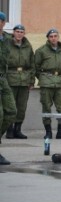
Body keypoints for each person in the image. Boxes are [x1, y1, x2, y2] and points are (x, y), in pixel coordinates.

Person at [34, 28, 61, 139]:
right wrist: (43, 77)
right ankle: (48, 132)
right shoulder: (41, 50)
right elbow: (36, 66)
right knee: (46, 107)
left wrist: (58, 74)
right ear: (48, 38)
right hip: (46, 81)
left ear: (58, 37)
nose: (53, 38)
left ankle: (60, 132)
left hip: (59, 82)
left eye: (55, 36)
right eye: (51, 36)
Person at [5, 24, 35, 140]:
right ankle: (9, 129)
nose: (19, 34)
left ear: (24, 34)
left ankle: (18, 129)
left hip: (24, 79)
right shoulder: (7, 45)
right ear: (13, 33)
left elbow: (32, 64)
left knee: (21, 107)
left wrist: (31, 81)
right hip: (10, 79)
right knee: (10, 106)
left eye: (21, 32)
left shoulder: (28, 46)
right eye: (17, 31)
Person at [0, 11, 17, 165]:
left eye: (0, 20)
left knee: (11, 112)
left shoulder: (6, 39)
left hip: (3, 79)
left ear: (4, 23)